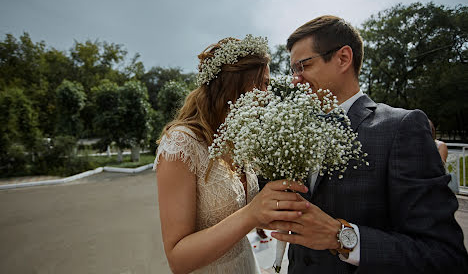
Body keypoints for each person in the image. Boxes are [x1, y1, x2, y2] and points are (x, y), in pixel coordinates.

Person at [268, 16, 468, 273]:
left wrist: (341, 238)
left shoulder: (401, 127)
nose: (296, 79)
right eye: (293, 70)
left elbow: (445, 255)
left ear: (343, 58)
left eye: (303, 66)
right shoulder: (293, 130)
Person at [154, 35, 309, 274]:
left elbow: (237, 218)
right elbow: (178, 259)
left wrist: (274, 212)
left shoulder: (238, 140)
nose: (268, 96)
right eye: (263, 84)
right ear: (232, 85)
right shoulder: (181, 143)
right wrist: (252, 213)